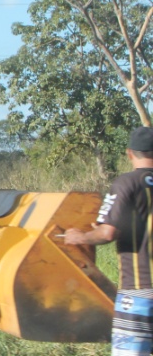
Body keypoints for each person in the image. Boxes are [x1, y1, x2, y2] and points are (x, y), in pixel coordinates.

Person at [65, 126, 153, 355]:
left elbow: (107, 233)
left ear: (129, 153)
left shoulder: (127, 183)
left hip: (140, 291)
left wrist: (80, 236)